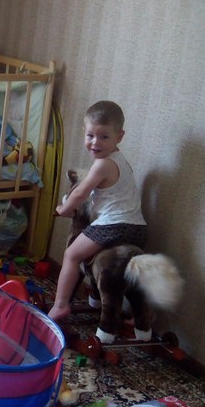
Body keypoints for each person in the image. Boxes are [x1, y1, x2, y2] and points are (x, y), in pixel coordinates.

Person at [47, 101, 146, 322]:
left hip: (115, 225)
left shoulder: (102, 165)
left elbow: (80, 193)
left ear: (119, 136)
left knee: (71, 255)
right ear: (84, 131)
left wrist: (65, 209)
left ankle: (60, 305)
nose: (95, 142)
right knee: (93, 255)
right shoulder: (121, 161)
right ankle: (102, 299)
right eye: (90, 135)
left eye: (104, 137)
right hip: (138, 227)